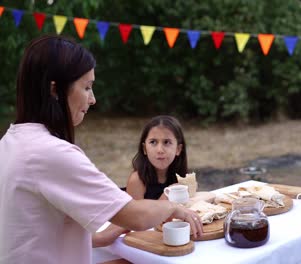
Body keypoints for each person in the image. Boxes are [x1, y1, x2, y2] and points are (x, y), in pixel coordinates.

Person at [0, 35, 203, 264]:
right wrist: (173, 209)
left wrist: (105, 236)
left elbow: (38, 231)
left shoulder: (11, 141)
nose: (93, 99)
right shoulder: (50, 153)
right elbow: (134, 215)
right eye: (87, 87)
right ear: (55, 90)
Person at [126, 115, 188, 200]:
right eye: (153, 142)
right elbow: (136, 213)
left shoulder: (180, 177)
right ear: (144, 149)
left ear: (178, 149)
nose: (160, 150)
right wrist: (168, 194)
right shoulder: (137, 180)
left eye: (166, 142)